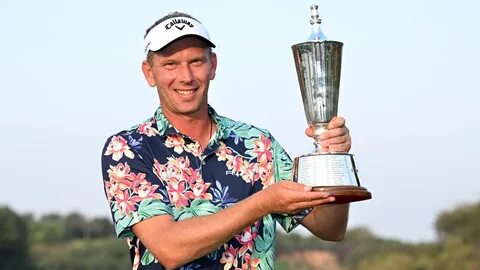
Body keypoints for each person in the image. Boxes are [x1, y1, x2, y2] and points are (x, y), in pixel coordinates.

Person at [101, 11, 351, 270]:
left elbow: (330, 228)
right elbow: (169, 248)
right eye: (171, 64)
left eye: (196, 61)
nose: (186, 76)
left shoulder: (258, 144)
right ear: (149, 73)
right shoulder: (128, 149)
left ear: (213, 66)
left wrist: (333, 158)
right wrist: (263, 202)